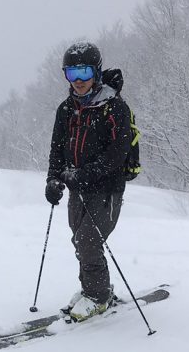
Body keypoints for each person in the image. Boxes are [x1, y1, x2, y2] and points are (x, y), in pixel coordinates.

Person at [45, 41, 139, 321]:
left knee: (89, 240)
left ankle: (98, 297)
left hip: (107, 188)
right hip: (78, 187)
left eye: (84, 73)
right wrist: (53, 179)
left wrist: (84, 175)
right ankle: (92, 288)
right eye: (72, 74)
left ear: (96, 72)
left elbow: (116, 156)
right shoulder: (66, 110)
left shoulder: (114, 108)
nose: (79, 81)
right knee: (79, 239)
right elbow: (56, 148)